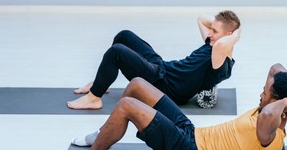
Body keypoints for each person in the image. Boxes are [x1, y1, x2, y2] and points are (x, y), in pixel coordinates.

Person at [46, 63, 287, 150]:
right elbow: (275, 68)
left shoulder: (269, 131)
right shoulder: (270, 109)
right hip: (192, 133)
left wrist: (285, 105)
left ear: (278, 103)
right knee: (137, 85)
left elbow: (271, 113)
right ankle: (105, 133)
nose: (261, 94)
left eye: (266, 93)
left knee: (126, 107)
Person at [67, 10, 241, 110]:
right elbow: (202, 18)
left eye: (215, 31)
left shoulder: (221, 59)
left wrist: (237, 32)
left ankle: (94, 98)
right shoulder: (213, 42)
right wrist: (224, 28)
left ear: (228, 36)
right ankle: (102, 83)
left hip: (165, 87)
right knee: (124, 36)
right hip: (163, 69)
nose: (210, 33)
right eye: (212, 29)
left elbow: (224, 44)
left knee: (116, 52)